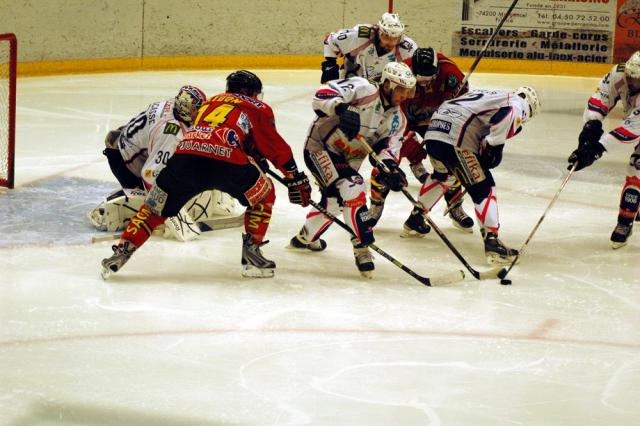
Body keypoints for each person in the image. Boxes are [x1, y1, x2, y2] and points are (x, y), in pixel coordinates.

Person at [100, 70, 312, 279]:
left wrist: (254, 155)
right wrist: (294, 177)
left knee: (154, 208)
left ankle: (123, 250)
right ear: (248, 91)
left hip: (185, 159)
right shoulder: (257, 107)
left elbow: (221, 135)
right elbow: (275, 148)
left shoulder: (209, 103)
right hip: (227, 162)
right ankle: (252, 254)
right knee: (264, 195)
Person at [289, 61, 416, 278]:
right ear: (387, 84)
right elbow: (321, 95)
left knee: (335, 203)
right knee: (354, 186)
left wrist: (391, 169)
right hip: (320, 148)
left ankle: (305, 237)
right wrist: (340, 107)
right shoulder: (363, 89)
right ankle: (361, 246)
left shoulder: (398, 120)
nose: (405, 95)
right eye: (401, 89)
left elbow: (388, 149)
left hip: (349, 160)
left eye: (409, 91)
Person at [88, 86, 237, 240]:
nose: (198, 113)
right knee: (166, 195)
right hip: (126, 165)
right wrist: (170, 211)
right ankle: (107, 211)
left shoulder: (174, 105)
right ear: (185, 110)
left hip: (129, 147)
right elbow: (150, 175)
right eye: (195, 110)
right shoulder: (171, 134)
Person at [416, 86, 541, 264]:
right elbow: (507, 117)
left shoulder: (492, 95)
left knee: (443, 175)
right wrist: (494, 147)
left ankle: (415, 219)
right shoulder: (517, 104)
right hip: (456, 137)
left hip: (435, 129)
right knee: (483, 187)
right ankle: (492, 243)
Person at [369, 47, 475, 237]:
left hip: (439, 121)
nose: (425, 84)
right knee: (386, 161)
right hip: (405, 120)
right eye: (420, 79)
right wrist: (407, 146)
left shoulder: (451, 74)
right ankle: (375, 208)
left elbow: (465, 106)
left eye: (430, 78)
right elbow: (392, 110)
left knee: (451, 162)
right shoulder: (403, 73)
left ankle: (455, 207)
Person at [567, 50, 640, 249]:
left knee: (636, 169)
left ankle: (624, 222)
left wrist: (596, 149)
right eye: (630, 78)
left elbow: (630, 131)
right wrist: (591, 128)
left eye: (637, 80)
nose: (632, 83)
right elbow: (601, 98)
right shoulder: (619, 72)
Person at [321, 12, 417, 84]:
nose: (390, 42)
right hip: (352, 84)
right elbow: (331, 40)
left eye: (395, 38)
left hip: (383, 91)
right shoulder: (361, 35)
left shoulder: (407, 47)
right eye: (386, 36)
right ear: (379, 31)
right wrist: (330, 65)